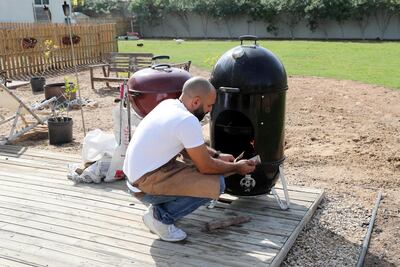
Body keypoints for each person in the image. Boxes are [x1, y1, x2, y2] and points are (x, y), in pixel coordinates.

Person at [123, 77, 256, 242]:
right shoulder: (187, 120)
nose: (209, 110)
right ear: (196, 101)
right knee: (215, 183)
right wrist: (236, 168)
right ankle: (160, 218)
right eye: (209, 105)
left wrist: (217, 155)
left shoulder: (169, 105)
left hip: (137, 178)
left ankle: (159, 210)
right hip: (144, 184)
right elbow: (206, 167)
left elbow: (189, 145)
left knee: (203, 171)